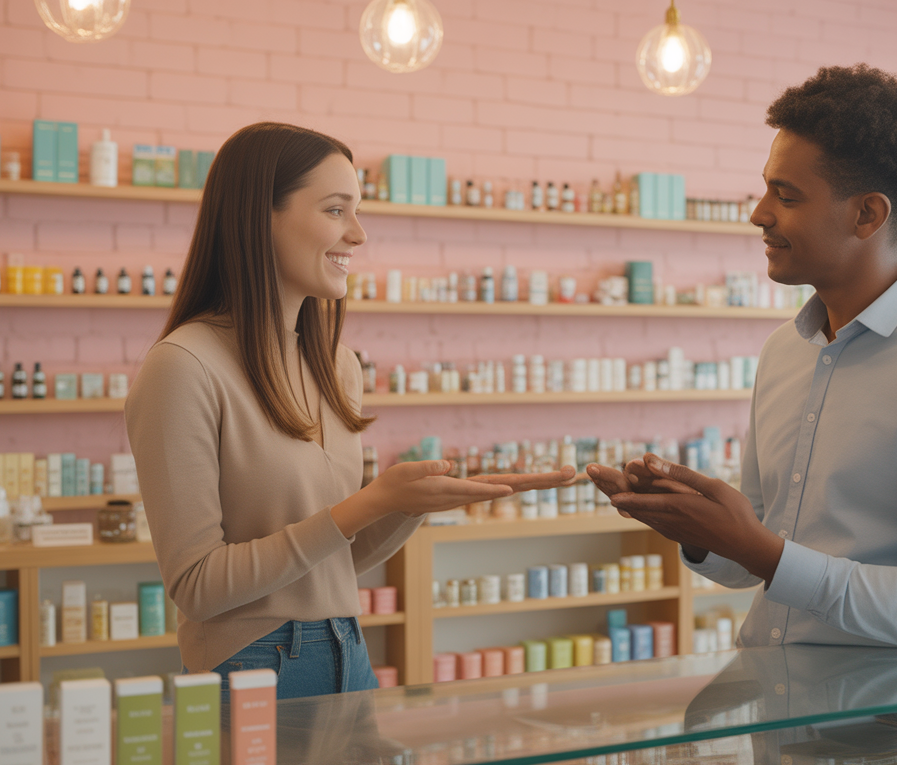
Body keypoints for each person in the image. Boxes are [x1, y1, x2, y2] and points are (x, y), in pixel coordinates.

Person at [587, 65, 897, 660]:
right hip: (772, 704)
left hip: (879, 733)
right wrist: (693, 526)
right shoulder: (783, 352)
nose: (759, 213)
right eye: (766, 188)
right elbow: (751, 560)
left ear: (867, 215)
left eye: (786, 196)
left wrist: (763, 551)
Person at [126, 122, 573, 698]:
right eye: (336, 210)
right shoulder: (183, 366)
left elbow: (333, 559)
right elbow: (197, 585)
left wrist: (406, 507)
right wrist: (364, 505)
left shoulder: (336, 366)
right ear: (258, 216)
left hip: (347, 650)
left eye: (357, 211)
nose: (358, 235)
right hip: (250, 667)